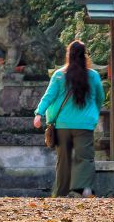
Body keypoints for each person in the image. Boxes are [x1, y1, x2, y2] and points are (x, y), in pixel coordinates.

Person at [33, 40, 105, 198]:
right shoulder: (93, 76)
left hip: (62, 125)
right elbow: (100, 97)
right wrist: (93, 111)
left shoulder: (59, 75)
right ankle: (83, 189)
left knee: (63, 160)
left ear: (69, 55)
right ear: (85, 55)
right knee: (85, 158)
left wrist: (39, 113)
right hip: (84, 124)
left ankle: (61, 193)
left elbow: (49, 96)